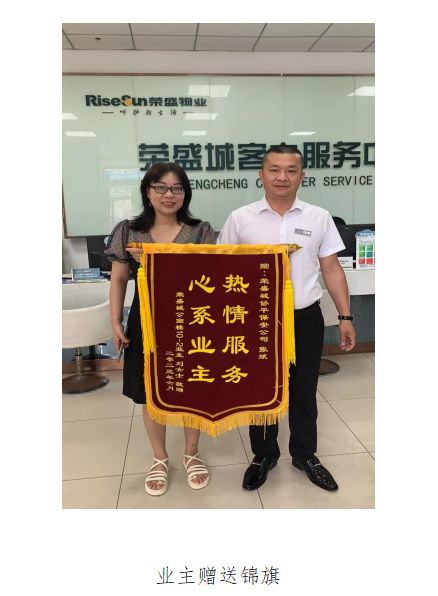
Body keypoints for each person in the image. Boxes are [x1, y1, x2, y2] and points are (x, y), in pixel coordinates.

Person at [217, 145, 356, 492]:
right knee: (259, 389)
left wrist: (345, 316)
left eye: (291, 170)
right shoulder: (240, 218)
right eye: (275, 170)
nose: (282, 177)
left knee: (304, 389)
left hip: (305, 318)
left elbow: (331, 269)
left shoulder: (318, 217)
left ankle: (305, 454)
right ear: (261, 175)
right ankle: (264, 455)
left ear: (302, 176)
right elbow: (222, 270)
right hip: (256, 321)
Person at [105, 163, 217, 496]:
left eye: (177, 188)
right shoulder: (128, 230)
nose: (169, 195)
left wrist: (158, 260)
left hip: (193, 319)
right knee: (149, 390)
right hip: (146, 320)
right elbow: (119, 278)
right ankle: (160, 457)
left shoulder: (200, 231)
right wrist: (115, 321)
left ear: (185, 193)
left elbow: (212, 277)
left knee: (193, 387)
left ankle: (192, 453)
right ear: (147, 191)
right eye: (161, 187)